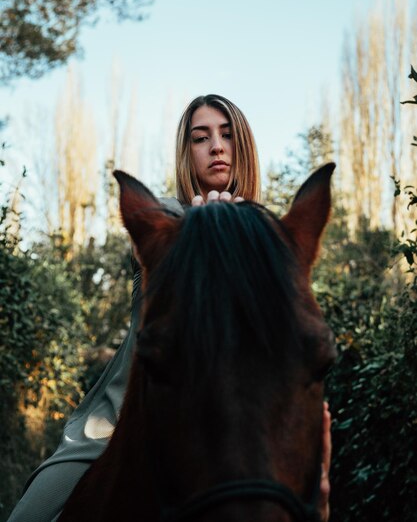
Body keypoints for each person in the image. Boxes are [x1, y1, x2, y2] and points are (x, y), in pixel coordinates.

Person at [7, 94, 331, 522]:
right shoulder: (166, 223)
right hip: (122, 421)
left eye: (227, 135)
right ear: (187, 152)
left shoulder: (273, 237)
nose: (216, 146)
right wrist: (200, 238)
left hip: (257, 425)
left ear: (243, 146)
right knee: (31, 514)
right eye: (202, 138)